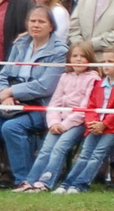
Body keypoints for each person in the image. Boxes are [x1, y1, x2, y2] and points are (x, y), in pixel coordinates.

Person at [0, 6, 66, 188]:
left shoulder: (59, 51)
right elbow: (3, 74)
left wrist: (13, 91)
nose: (36, 25)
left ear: (51, 26)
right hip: (12, 104)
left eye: (41, 21)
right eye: (33, 21)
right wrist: (3, 94)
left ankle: (24, 180)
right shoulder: (20, 44)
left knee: (11, 128)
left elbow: (45, 86)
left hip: (40, 106)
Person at [55, 45, 114, 193]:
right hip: (95, 126)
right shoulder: (99, 83)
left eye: (110, 61)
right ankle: (66, 184)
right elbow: (91, 105)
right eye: (104, 61)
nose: (105, 65)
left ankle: (80, 184)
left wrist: (104, 124)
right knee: (84, 155)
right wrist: (92, 123)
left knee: (97, 155)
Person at [15, 40, 98, 191]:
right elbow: (55, 102)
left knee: (59, 148)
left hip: (77, 123)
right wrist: (53, 122)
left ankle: (46, 182)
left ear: (90, 59)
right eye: (75, 56)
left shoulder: (93, 79)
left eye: (83, 56)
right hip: (58, 121)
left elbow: (85, 108)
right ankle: (30, 181)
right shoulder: (65, 77)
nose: (78, 59)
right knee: (46, 149)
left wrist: (65, 125)